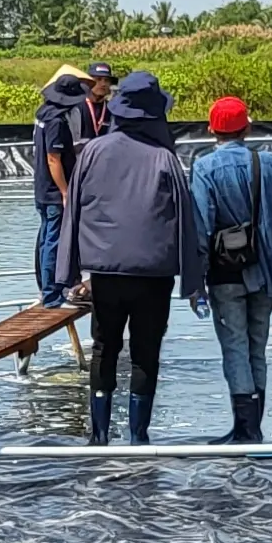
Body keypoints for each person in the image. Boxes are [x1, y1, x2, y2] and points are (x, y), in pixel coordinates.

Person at [53, 70, 191, 444]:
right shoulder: (165, 157)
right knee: (147, 352)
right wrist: (193, 281)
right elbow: (186, 219)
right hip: (154, 276)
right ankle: (138, 436)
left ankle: (98, 436)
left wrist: (67, 272)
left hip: (105, 273)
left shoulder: (94, 151)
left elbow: (73, 212)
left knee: (104, 346)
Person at [183, 94, 272, 444]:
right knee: (257, 348)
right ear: (247, 127)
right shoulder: (269, 164)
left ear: (211, 129)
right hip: (267, 271)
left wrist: (195, 283)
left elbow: (201, 227)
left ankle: (243, 429)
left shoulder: (204, 167)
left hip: (225, 272)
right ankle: (255, 429)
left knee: (234, 347)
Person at [28, 63, 96, 309]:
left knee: (47, 237)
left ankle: (49, 290)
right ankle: (52, 294)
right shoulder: (57, 121)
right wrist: (65, 191)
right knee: (54, 240)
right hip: (54, 190)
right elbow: (53, 158)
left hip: (41, 187)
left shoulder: (43, 114)